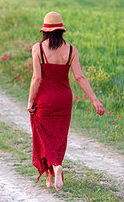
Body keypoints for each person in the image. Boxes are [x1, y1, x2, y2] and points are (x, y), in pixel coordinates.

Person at [27, 11, 105, 191]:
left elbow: (36, 78)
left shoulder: (37, 49)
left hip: (45, 98)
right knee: (59, 135)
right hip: (64, 98)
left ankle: (54, 167)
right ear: (61, 30)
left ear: (45, 31)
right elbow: (79, 76)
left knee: (44, 134)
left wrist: (30, 101)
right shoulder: (71, 50)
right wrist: (95, 99)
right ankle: (53, 170)